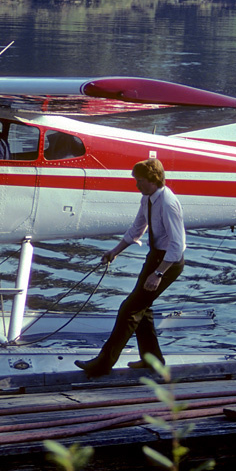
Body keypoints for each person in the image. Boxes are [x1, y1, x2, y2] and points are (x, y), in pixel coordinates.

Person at [75, 158, 185, 377]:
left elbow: (178, 245)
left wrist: (158, 273)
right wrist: (115, 250)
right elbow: (137, 227)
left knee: (130, 309)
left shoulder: (168, 202)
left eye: (140, 181)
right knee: (142, 309)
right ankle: (152, 360)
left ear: (153, 180)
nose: (136, 185)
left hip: (168, 263)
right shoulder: (148, 198)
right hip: (155, 256)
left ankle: (103, 363)